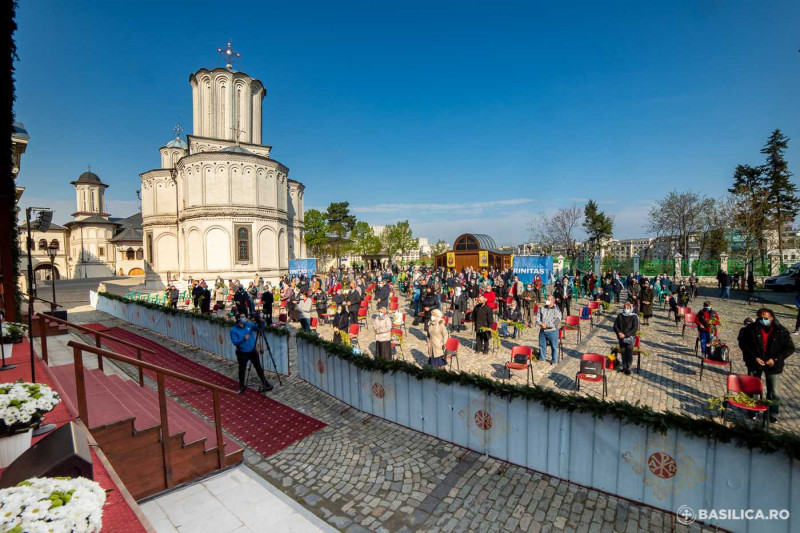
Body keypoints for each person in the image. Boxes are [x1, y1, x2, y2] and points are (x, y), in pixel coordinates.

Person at [738, 308, 794, 423]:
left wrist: (775, 359)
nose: (763, 320)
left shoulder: (781, 331)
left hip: (773, 364)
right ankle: (752, 410)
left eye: (766, 318)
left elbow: (789, 348)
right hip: (755, 362)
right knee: (753, 388)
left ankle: (772, 412)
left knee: (773, 390)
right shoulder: (751, 329)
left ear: (772, 318)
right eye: (761, 318)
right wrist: (754, 358)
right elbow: (743, 344)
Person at [229, 312, 273, 394]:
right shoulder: (234, 330)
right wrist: (243, 339)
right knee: (242, 369)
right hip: (242, 352)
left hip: (252, 351)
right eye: (242, 317)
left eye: (244, 316)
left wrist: (261, 321)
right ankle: (241, 386)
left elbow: (259, 328)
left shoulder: (249, 324)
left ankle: (265, 383)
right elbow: (235, 342)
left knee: (259, 367)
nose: (244, 318)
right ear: (238, 319)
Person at [613, 302, 639, 375]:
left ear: (630, 309)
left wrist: (625, 335)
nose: (626, 309)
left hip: (629, 338)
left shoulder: (634, 317)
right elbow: (615, 326)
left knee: (629, 353)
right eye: (625, 308)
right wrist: (619, 333)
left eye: (628, 308)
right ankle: (624, 367)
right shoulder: (620, 315)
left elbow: (635, 328)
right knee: (623, 352)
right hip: (621, 338)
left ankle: (628, 368)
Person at [537, 296, 562, 364]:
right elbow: (538, 317)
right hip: (542, 330)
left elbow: (557, 320)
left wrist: (547, 325)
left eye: (548, 300)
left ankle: (554, 360)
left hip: (552, 331)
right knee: (542, 345)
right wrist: (540, 323)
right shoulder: (542, 308)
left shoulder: (556, 309)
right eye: (547, 299)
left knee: (554, 347)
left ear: (552, 301)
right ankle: (542, 358)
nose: (547, 301)